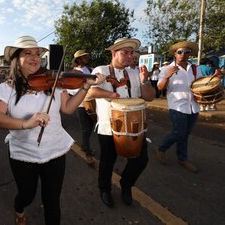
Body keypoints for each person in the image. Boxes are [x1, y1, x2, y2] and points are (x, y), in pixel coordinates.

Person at [0, 35, 105, 224]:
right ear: (17, 59)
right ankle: (19, 209)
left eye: (38, 54)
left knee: (52, 201)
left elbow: (68, 108)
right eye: (28, 53)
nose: (35, 58)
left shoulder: (54, 83)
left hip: (54, 150)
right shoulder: (6, 88)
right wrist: (26, 123)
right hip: (23, 152)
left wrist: (85, 86)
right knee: (26, 195)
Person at [87, 38, 155, 208]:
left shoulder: (134, 73)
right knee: (108, 161)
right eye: (125, 52)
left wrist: (145, 81)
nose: (130, 56)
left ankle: (126, 185)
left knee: (140, 160)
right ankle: (104, 189)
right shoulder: (101, 70)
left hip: (134, 125)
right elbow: (89, 92)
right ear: (114, 53)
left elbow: (150, 97)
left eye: (132, 52)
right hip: (109, 126)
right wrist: (112, 95)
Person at [156, 41, 221, 173]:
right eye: (180, 52)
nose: (183, 54)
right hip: (177, 106)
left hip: (193, 106)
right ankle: (162, 148)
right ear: (175, 54)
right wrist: (168, 76)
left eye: (186, 52)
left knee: (185, 134)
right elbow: (160, 87)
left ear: (190, 54)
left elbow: (203, 84)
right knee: (178, 132)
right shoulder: (166, 69)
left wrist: (215, 78)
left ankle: (182, 158)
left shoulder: (195, 69)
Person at [68, 50, 96, 164]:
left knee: (90, 126)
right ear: (78, 60)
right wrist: (83, 91)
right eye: (84, 57)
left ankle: (85, 146)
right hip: (80, 104)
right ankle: (88, 153)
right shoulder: (74, 72)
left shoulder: (90, 70)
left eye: (86, 56)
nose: (86, 58)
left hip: (91, 103)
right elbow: (71, 90)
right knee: (86, 128)